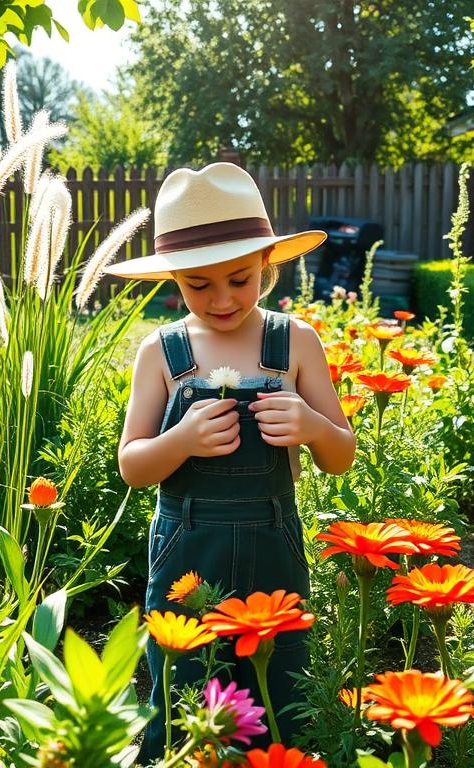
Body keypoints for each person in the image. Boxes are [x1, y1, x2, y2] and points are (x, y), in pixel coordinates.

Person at [104, 162, 356, 763]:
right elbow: (133, 465)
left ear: (268, 267)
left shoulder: (294, 341)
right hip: (187, 544)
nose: (221, 299)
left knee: (282, 688)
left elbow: (340, 456)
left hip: (274, 537)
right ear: (173, 280)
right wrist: (181, 440)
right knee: (185, 686)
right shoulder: (161, 351)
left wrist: (313, 426)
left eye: (240, 280)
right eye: (198, 285)